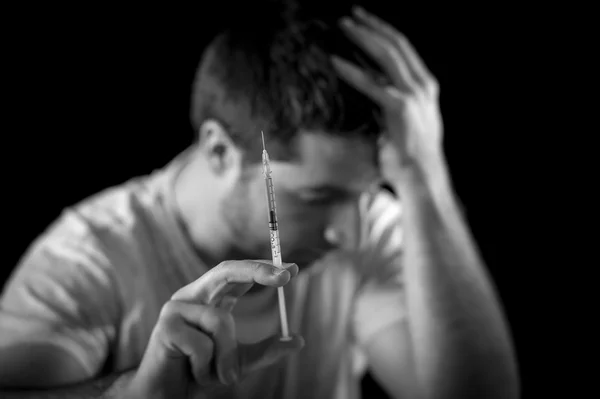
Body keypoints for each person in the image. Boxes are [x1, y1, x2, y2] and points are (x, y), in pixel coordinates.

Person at [0, 5, 519, 399]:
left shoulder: (374, 225)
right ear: (221, 151)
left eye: (367, 194)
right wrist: (134, 393)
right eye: (318, 198)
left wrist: (424, 179)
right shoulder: (88, 258)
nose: (350, 233)